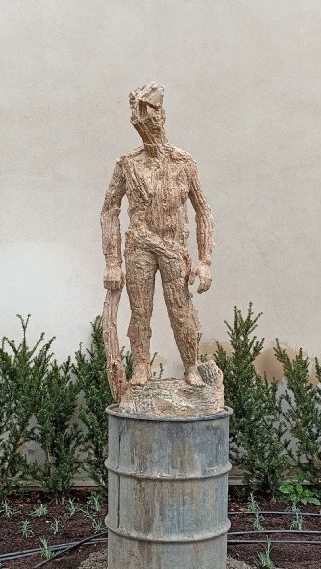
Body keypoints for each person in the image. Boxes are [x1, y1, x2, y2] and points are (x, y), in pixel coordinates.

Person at [100, 81, 215, 387]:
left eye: (151, 111)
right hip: (139, 245)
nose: (145, 120)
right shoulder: (127, 164)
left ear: (163, 115)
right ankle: (141, 365)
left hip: (174, 246)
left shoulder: (183, 162)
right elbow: (109, 209)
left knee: (181, 310)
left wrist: (205, 261)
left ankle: (191, 366)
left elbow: (203, 211)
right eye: (138, 112)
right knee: (140, 311)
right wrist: (112, 262)